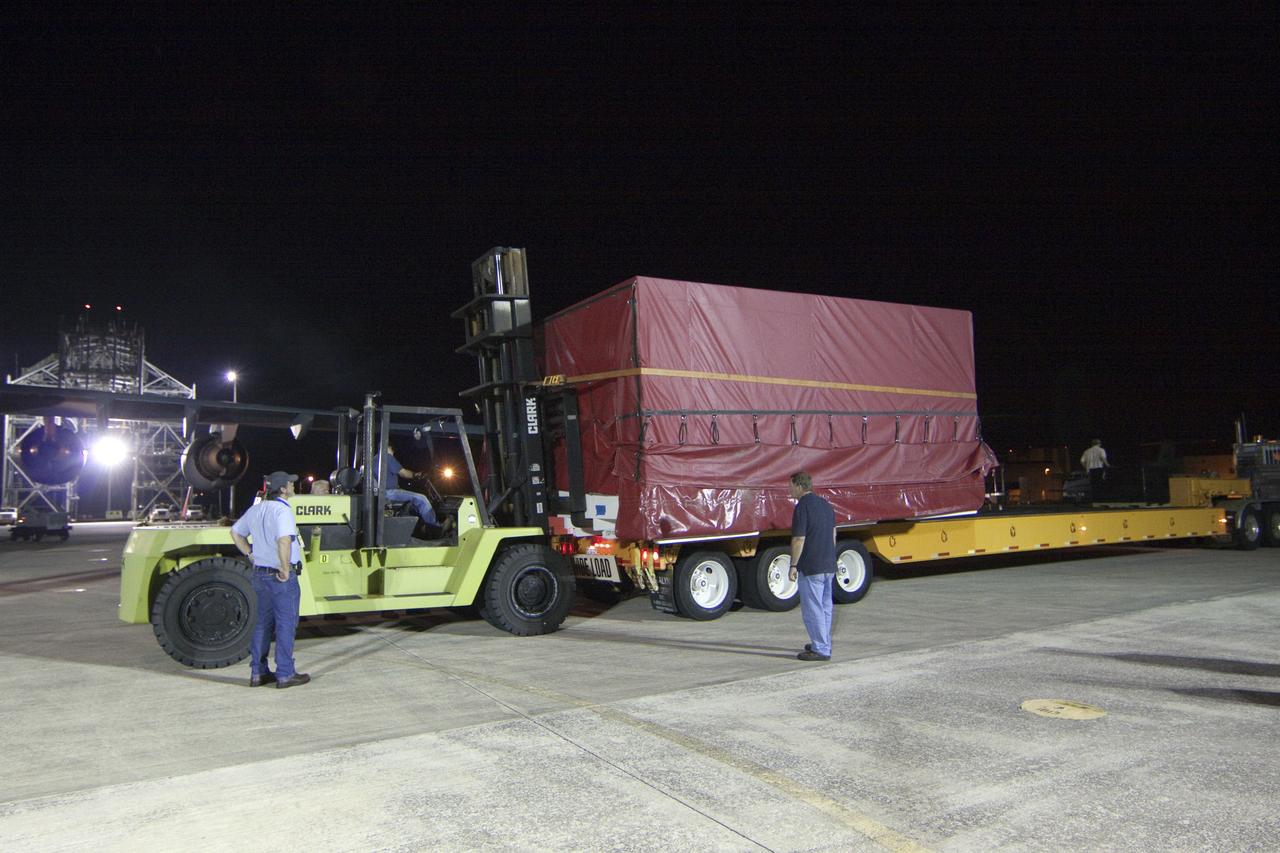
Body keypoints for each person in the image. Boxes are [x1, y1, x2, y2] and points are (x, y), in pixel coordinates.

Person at [231, 471, 310, 689]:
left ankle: (258, 672)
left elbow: (236, 533)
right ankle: (285, 673)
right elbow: (284, 540)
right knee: (286, 624)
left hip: (259, 574)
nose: (293, 487)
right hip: (279, 576)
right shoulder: (282, 511)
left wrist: (250, 554)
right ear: (283, 489)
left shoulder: (256, 509)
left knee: (262, 624)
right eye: (290, 484)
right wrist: (285, 569)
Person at [787, 470, 837, 662]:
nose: (789, 490)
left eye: (791, 486)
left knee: (812, 608)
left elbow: (799, 539)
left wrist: (793, 565)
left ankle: (820, 648)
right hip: (828, 564)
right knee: (825, 607)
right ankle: (823, 642)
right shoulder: (826, 505)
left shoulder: (802, 507)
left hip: (811, 566)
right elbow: (833, 535)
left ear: (800, 486)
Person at [381, 443, 437, 527]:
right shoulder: (387, 457)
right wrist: (415, 475)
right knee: (422, 499)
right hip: (388, 493)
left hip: (384, 493)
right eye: (392, 450)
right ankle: (434, 528)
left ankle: (420, 528)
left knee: (413, 505)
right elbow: (404, 473)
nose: (393, 452)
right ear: (388, 448)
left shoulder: (376, 459)